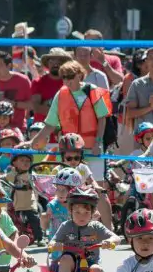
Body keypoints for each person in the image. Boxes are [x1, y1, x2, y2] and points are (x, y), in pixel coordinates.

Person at [21, 61, 112, 190]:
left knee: (98, 189)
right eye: (64, 77)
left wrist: (98, 142)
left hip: (92, 148)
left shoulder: (92, 90)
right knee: (66, 189)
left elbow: (102, 119)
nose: (67, 80)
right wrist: (32, 142)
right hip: (69, 151)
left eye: (70, 76)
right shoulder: (60, 95)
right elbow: (50, 125)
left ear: (79, 75)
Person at [49, 187, 121, 272]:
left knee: (97, 269)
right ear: (70, 211)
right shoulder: (66, 226)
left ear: (93, 212)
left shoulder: (96, 227)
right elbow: (53, 241)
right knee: (65, 258)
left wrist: (109, 241)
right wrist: (54, 245)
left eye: (86, 212)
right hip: (71, 269)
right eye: (77, 212)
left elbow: (116, 238)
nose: (81, 216)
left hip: (90, 265)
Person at [41, 168, 83, 272]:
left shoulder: (77, 205)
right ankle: (55, 263)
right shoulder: (53, 205)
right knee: (57, 256)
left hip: (73, 236)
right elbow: (44, 226)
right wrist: (45, 218)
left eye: (64, 190)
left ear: (73, 190)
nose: (60, 192)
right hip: (57, 236)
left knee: (76, 254)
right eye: (58, 189)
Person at [0, 50, 31, 133]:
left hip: (18, 130)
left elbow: (32, 105)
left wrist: (13, 103)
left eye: (0, 66)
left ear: (9, 65)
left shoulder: (23, 81)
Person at [31, 48, 72, 124]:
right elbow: (36, 107)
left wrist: (46, 105)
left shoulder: (70, 82)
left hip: (65, 127)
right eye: (51, 61)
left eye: (59, 61)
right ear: (47, 64)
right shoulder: (38, 82)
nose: (55, 64)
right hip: (42, 128)